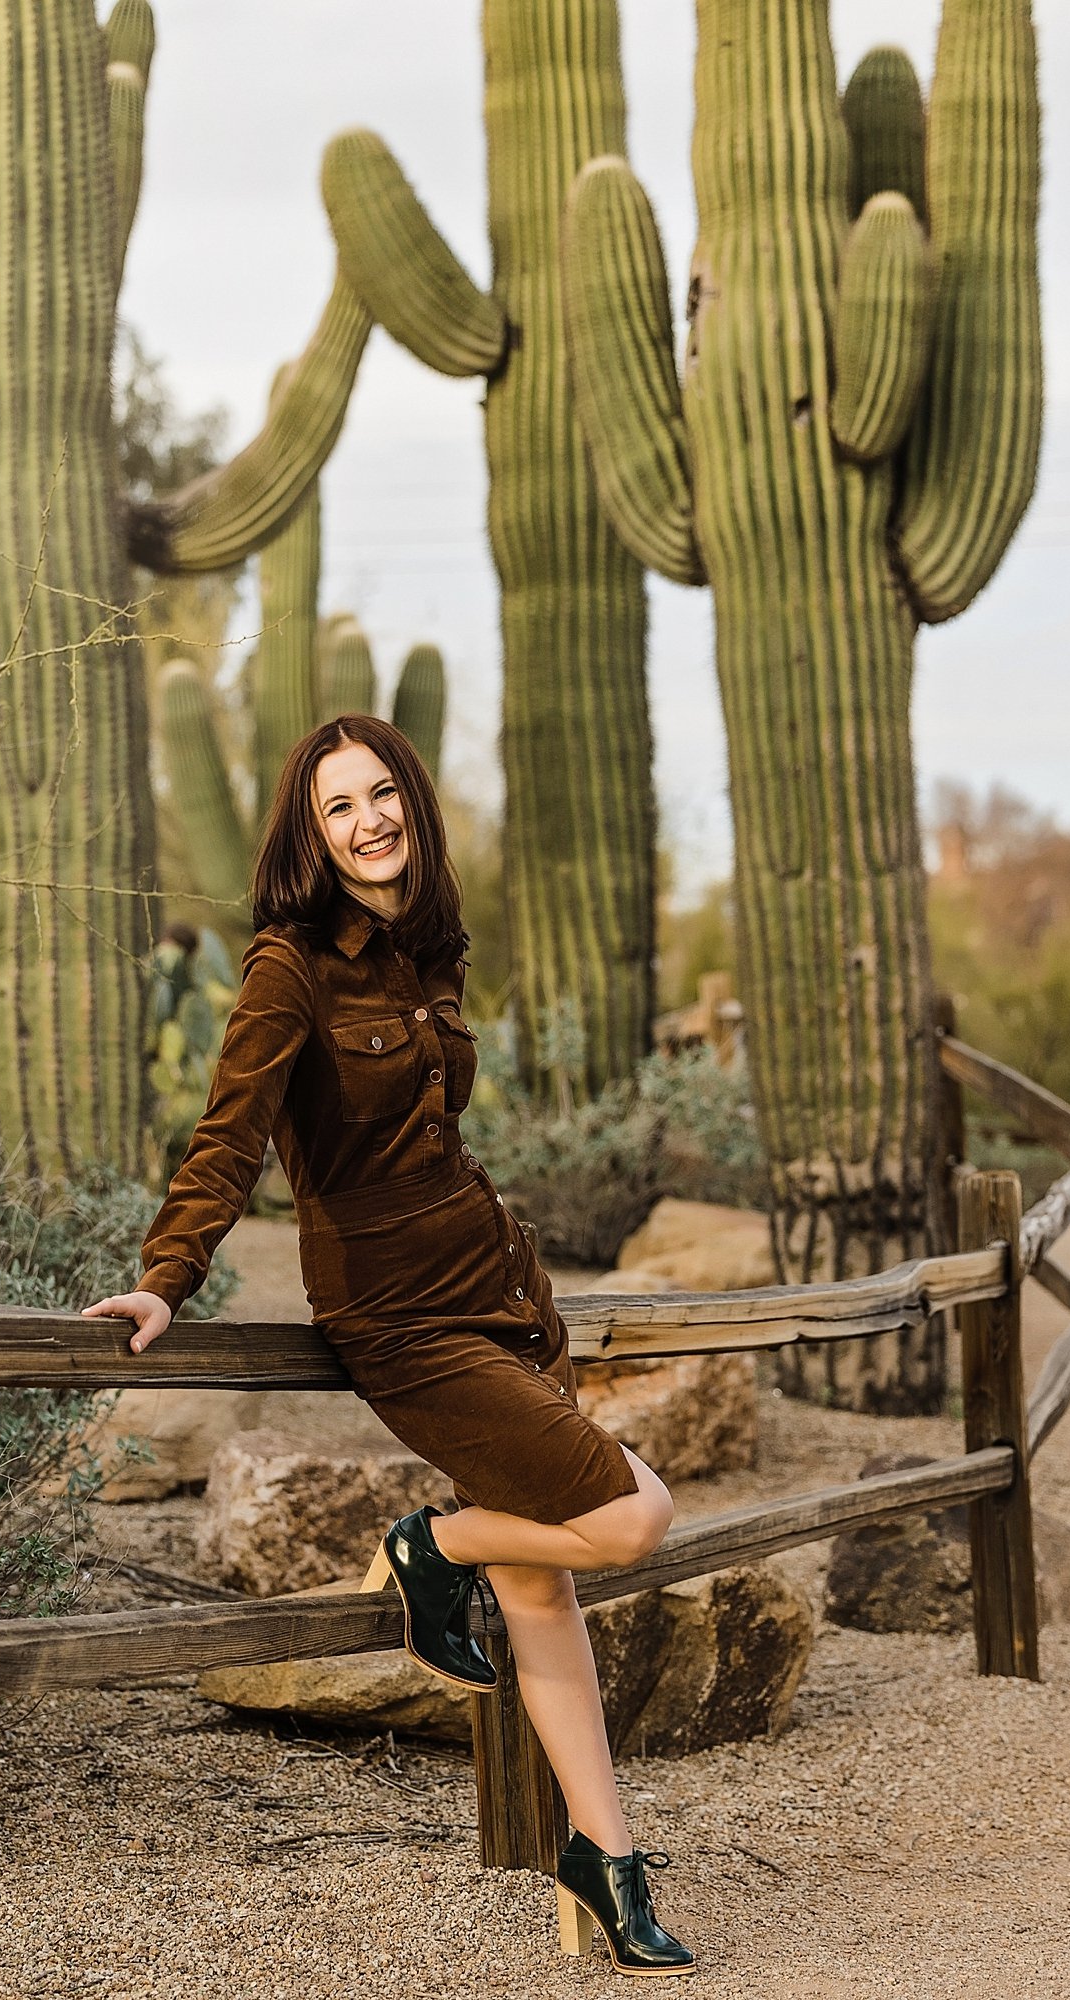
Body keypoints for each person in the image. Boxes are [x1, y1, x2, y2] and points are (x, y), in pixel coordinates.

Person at [82, 714, 694, 1979]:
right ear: (309, 835)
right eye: (337, 808)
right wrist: (166, 1276)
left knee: (546, 1590)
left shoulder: (427, 951)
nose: (367, 821)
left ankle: (605, 1857)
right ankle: (425, 1546)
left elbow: (437, 1137)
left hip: (498, 1287)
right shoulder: (285, 966)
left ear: (409, 800)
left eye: (380, 795)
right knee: (634, 1513)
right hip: (399, 1318)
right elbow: (229, 1136)